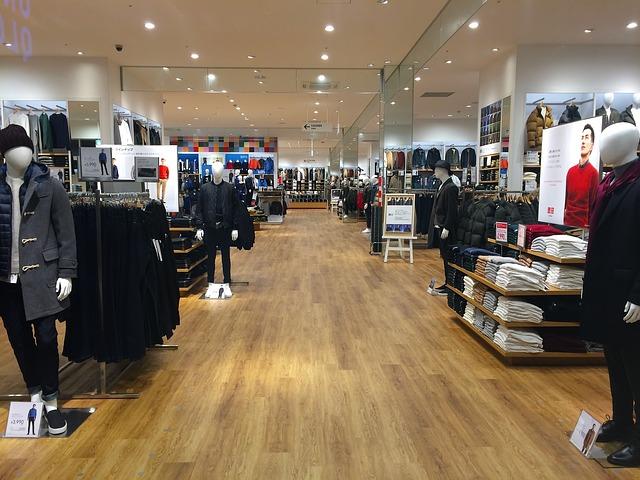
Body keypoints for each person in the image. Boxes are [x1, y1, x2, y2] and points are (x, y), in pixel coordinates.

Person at [564, 124, 599, 228]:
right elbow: (566, 201)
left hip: (582, 228)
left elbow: (593, 205)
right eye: (582, 138)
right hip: (566, 225)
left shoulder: (593, 173)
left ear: (592, 145)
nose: (583, 141)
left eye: (586, 137)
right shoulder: (570, 171)